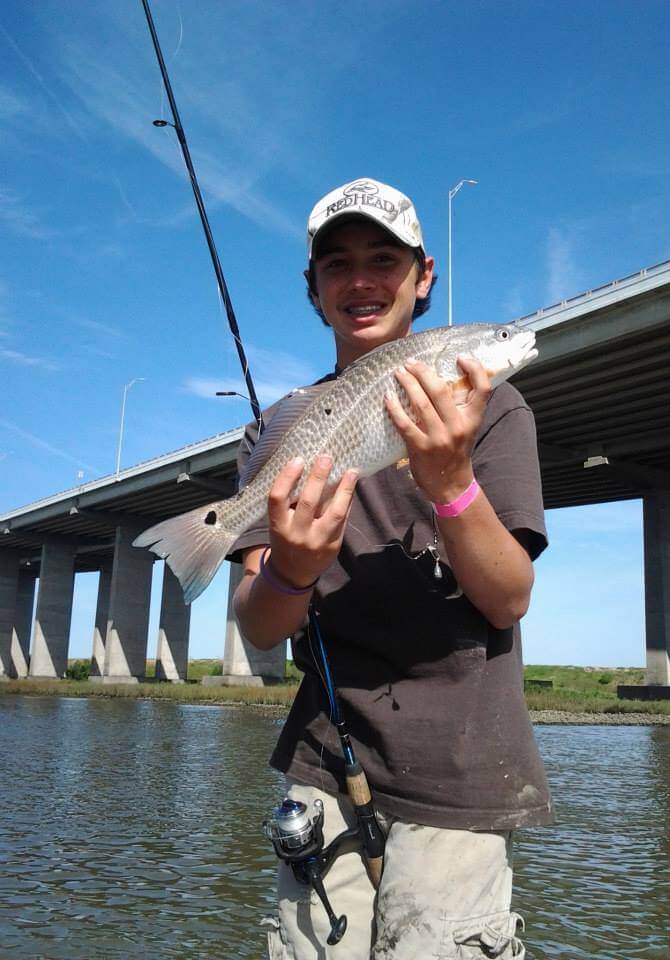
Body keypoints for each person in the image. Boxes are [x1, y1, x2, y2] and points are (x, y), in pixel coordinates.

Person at [231, 177, 552, 960]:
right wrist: (291, 573)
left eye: (385, 258)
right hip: (323, 755)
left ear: (424, 276)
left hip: (463, 770)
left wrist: (449, 483)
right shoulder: (272, 432)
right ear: (313, 289)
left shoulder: (497, 411)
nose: (362, 280)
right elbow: (259, 624)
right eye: (337, 264)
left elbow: (508, 598)